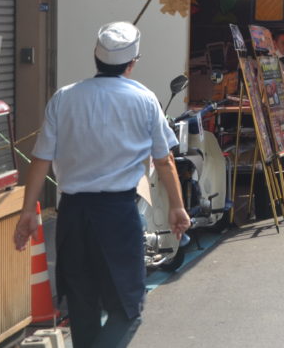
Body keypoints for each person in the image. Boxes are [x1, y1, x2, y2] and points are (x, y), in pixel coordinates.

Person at [13, 22, 189, 348]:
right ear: (132, 62)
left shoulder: (64, 97)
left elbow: (40, 160)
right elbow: (164, 161)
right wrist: (177, 206)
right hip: (118, 215)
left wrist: (27, 211)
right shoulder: (144, 99)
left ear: (96, 57)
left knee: (82, 310)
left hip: (72, 213)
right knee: (128, 308)